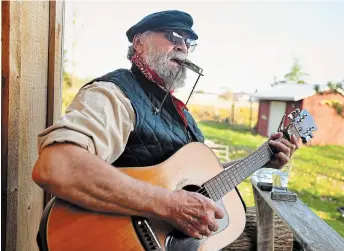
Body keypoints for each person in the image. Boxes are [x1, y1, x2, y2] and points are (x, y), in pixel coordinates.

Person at [32, 10, 298, 243]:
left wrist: (260, 159)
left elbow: (199, 183)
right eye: (173, 36)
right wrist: (169, 205)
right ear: (138, 42)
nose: (183, 46)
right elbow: (57, 166)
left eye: (188, 42)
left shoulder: (175, 110)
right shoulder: (115, 94)